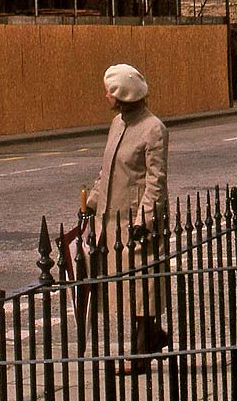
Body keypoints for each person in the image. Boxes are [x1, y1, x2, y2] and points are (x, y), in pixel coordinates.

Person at [84, 63, 170, 371]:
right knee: (128, 289)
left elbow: (155, 181)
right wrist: (92, 203)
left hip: (136, 222)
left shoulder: (153, 128)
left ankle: (140, 357)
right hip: (112, 218)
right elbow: (107, 170)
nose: (105, 95)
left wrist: (143, 221)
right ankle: (153, 337)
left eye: (108, 91)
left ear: (122, 96)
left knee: (142, 288)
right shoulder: (118, 124)